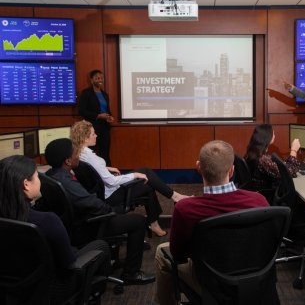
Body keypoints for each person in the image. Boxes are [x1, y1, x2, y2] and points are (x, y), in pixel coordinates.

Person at [154, 140, 269, 305]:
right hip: (252, 280)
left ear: (198, 167)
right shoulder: (259, 201)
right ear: (232, 170)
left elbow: (178, 255)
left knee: (161, 251)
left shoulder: (185, 209)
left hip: (210, 283)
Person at [0, 155, 111, 304]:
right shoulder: (47, 221)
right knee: (101, 246)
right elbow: (68, 263)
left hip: (9, 291)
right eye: (36, 176)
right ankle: (91, 296)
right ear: (26, 184)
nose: (40, 181)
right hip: (51, 290)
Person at [44, 138, 156, 285]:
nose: (79, 155)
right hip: (88, 226)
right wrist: (113, 211)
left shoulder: (50, 174)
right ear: (68, 161)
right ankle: (132, 273)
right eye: (76, 153)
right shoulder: (67, 182)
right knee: (138, 221)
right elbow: (92, 204)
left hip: (74, 225)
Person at [70, 120, 188, 237]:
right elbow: (111, 182)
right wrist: (134, 175)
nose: (96, 135)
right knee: (146, 174)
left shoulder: (79, 153)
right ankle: (174, 198)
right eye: (93, 134)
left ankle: (155, 222)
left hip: (100, 193)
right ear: (85, 139)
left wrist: (106, 168)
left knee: (148, 181)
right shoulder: (90, 157)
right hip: (110, 195)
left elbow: (93, 170)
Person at [244, 124, 301, 203]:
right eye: (273, 134)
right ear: (267, 138)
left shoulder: (252, 152)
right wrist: (294, 150)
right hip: (266, 197)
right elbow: (289, 172)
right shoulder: (263, 160)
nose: (274, 135)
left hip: (257, 194)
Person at [79, 69, 114, 166]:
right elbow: (81, 111)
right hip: (92, 129)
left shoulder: (104, 94)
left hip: (104, 128)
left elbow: (107, 110)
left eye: (102, 78)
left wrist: (109, 117)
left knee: (105, 153)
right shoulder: (86, 93)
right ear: (91, 80)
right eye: (97, 78)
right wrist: (98, 116)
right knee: (91, 153)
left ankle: (109, 174)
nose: (100, 79)